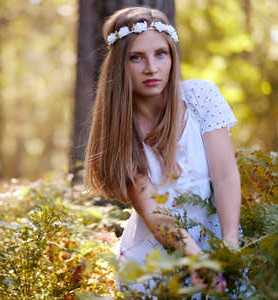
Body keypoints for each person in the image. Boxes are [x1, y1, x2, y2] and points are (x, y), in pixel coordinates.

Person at [83, 6, 241, 297]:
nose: (151, 68)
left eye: (160, 54)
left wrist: (229, 245)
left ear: (172, 56)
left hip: (216, 240)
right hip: (153, 262)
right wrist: (197, 259)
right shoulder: (119, 128)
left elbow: (225, 176)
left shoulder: (199, 97)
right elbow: (153, 211)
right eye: (136, 58)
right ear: (120, 65)